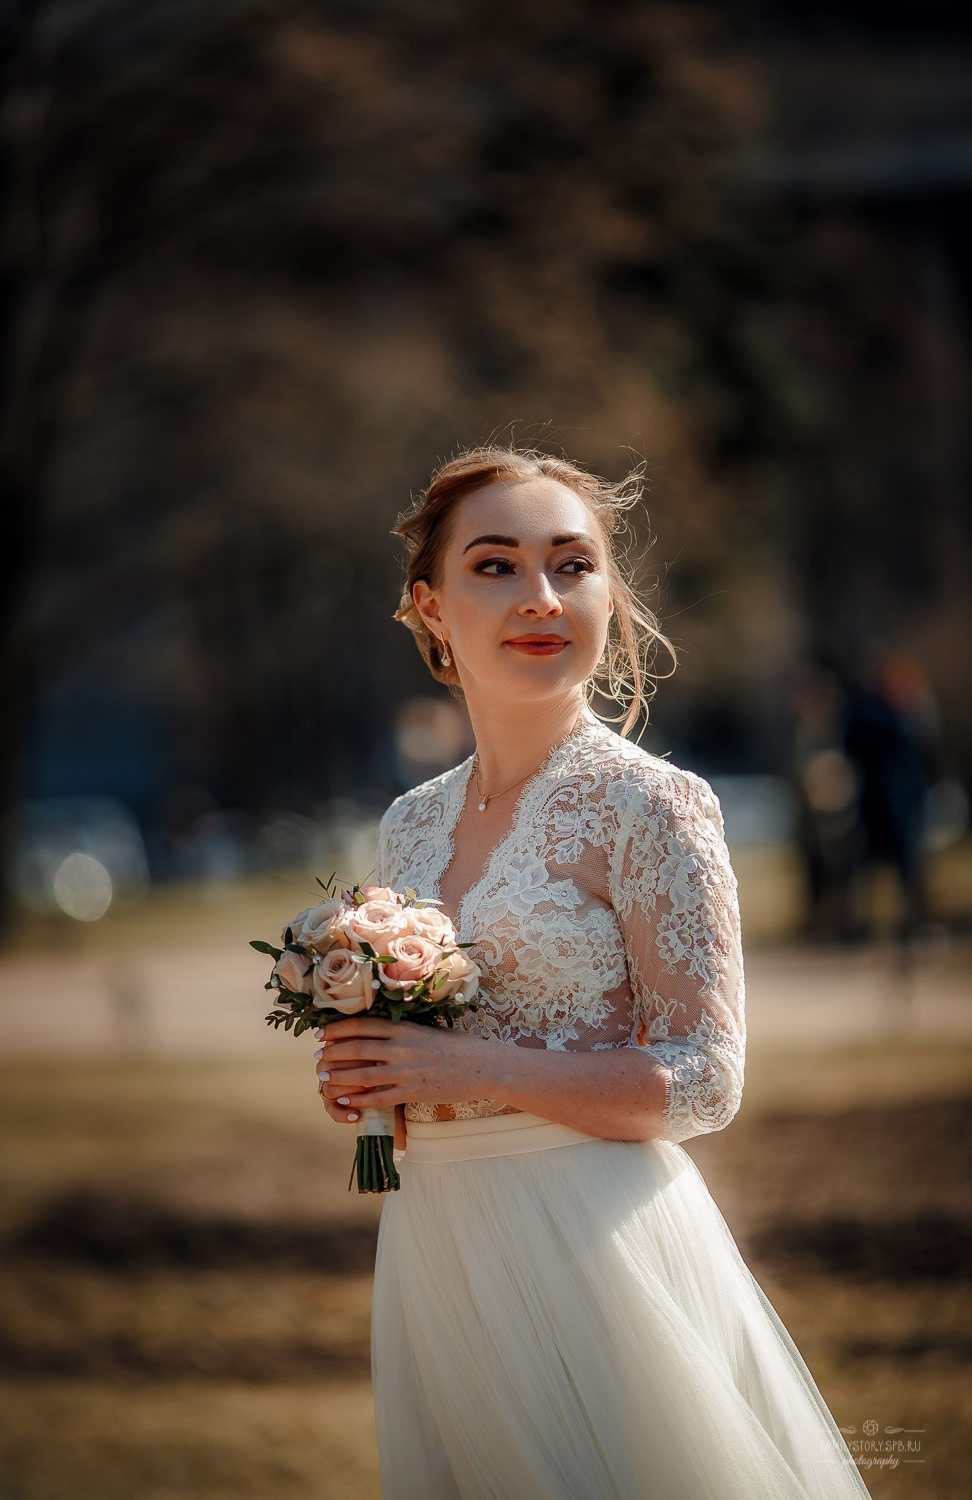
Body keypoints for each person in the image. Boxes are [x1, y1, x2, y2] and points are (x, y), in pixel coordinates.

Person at [314, 445, 871, 1499]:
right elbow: (430, 1056)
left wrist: (458, 1070)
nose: (540, 597)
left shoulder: (652, 807)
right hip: (436, 1251)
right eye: (495, 567)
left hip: (596, 1252)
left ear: (609, 592)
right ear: (430, 608)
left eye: (571, 565)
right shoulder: (409, 824)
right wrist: (374, 1077)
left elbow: (704, 1081)